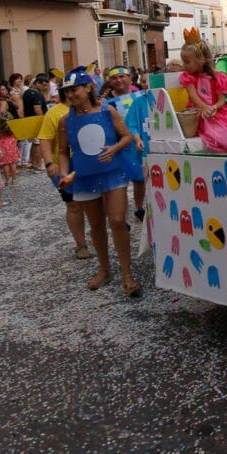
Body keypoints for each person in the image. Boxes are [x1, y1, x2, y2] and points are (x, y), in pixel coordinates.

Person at [55, 68, 141, 297]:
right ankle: (105, 269)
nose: (70, 95)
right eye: (66, 91)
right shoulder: (65, 121)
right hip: (84, 176)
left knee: (118, 220)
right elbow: (63, 151)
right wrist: (64, 173)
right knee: (96, 225)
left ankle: (127, 273)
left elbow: (127, 136)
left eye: (74, 89)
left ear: (88, 87)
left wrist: (114, 148)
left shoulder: (107, 110)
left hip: (112, 172)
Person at [37, 88, 90, 260]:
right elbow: (44, 139)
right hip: (64, 166)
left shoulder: (91, 108)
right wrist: (49, 163)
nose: (74, 94)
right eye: (70, 91)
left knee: (94, 204)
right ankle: (81, 244)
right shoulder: (54, 113)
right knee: (74, 205)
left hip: (89, 165)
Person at [105, 67, 152, 221]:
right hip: (119, 146)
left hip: (138, 145)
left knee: (140, 179)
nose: (119, 80)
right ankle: (120, 216)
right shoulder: (106, 102)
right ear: (110, 81)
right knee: (120, 183)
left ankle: (139, 208)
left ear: (130, 78)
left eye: (122, 76)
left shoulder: (141, 95)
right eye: (115, 78)